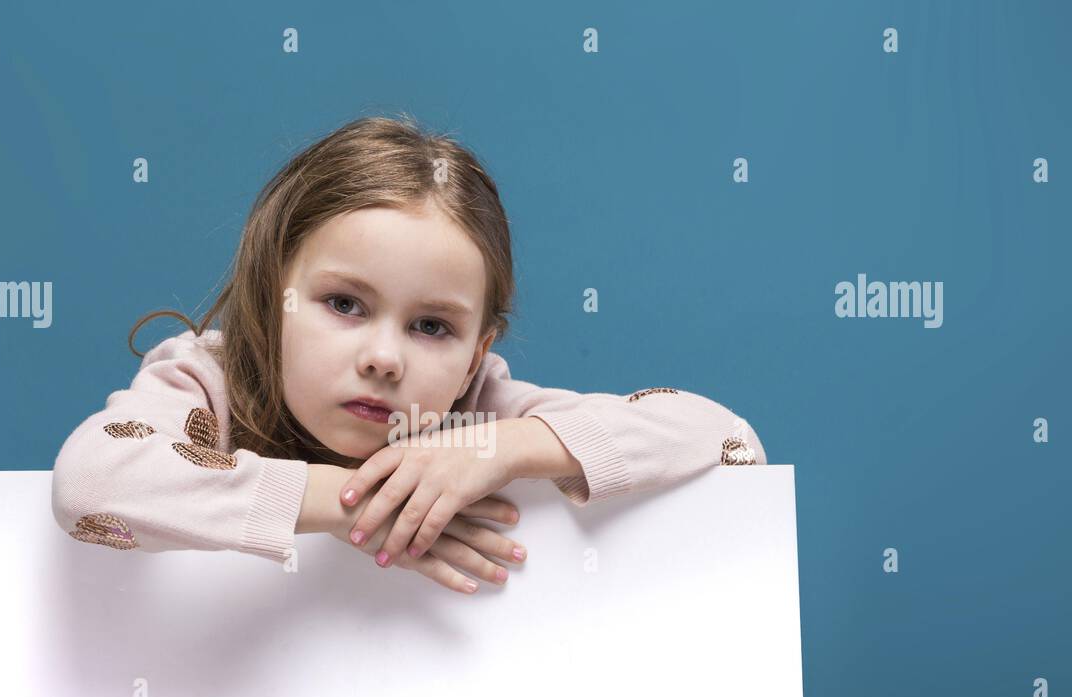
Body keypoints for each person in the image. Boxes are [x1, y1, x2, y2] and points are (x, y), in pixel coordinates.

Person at [51, 115, 767, 595]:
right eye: (344, 304)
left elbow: (734, 444)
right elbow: (90, 486)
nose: (385, 357)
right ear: (274, 299)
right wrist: (355, 506)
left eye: (431, 326)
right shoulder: (209, 381)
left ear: (475, 353)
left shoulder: (477, 408)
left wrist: (509, 446)